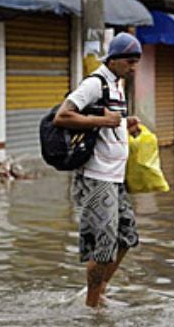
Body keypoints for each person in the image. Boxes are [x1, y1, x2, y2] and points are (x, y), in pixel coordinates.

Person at [53, 32, 143, 308]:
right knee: (103, 247)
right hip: (96, 176)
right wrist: (101, 121)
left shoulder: (117, 85)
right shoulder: (95, 83)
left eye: (137, 61)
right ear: (113, 60)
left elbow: (110, 122)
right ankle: (92, 307)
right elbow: (63, 115)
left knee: (127, 237)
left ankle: (100, 291)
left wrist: (125, 125)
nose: (133, 67)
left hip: (115, 176)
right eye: (129, 61)